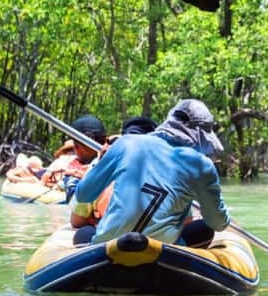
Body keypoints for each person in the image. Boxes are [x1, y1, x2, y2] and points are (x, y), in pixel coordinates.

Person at [71, 100, 229, 248]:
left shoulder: (126, 143)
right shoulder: (202, 165)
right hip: (163, 250)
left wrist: (100, 162)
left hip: (108, 245)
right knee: (204, 228)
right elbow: (218, 223)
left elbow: (83, 194)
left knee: (83, 233)